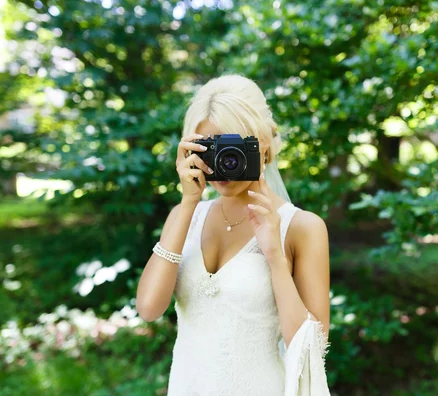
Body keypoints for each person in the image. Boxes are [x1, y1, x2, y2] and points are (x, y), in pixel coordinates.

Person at [136, 74, 331, 396]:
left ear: (263, 146)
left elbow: (311, 348)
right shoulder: (186, 216)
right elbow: (148, 308)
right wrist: (188, 202)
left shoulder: (302, 227)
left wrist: (275, 258)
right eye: (207, 148)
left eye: (232, 147)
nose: (221, 162)